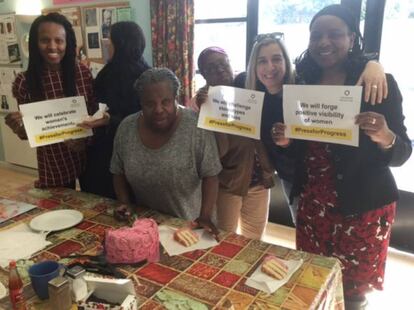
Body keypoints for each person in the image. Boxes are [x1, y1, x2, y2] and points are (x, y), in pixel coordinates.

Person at [272, 5, 412, 309]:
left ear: (352, 38)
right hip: (314, 207)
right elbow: (303, 149)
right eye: (316, 35)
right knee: (315, 278)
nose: (324, 42)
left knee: (353, 292)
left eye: (335, 34)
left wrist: (384, 136)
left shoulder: (376, 83)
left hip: (362, 209)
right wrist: (286, 141)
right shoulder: (302, 85)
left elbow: (402, 153)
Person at [194, 46, 386, 239]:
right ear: (202, 74)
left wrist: (372, 63)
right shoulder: (204, 101)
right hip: (229, 182)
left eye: (222, 63)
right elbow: (213, 154)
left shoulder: (249, 82)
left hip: (262, 179)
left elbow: (283, 76)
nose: (219, 69)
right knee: (224, 237)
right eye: (211, 68)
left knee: (254, 239)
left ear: (230, 62)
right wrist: (205, 111)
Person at [111, 68, 222, 238]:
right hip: (146, 225)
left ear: (175, 98)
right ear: (140, 102)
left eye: (166, 101)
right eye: (149, 103)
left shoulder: (196, 128)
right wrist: (124, 202)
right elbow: (117, 171)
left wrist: (205, 216)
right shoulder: (126, 128)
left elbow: (211, 175)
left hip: (191, 225)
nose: (158, 109)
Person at [5, 13, 98, 189]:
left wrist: (85, 140)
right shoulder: (24, 81)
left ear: (67, 43)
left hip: (88, 157)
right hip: (54, 163)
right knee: (62, 212)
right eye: (45, 40)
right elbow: (27, 133)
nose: (52, 46)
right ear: (34, 43)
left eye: (59, 40)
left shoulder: (82, 73)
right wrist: (18, 126)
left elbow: (95, 114)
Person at [79, 21, 150, 199]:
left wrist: (109, 119)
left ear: (119, 44)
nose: (107, 45)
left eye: (109, 41)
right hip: (142, 147)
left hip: (108, 146)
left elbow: (101, 109)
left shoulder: (110, 74)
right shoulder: (148, 72)